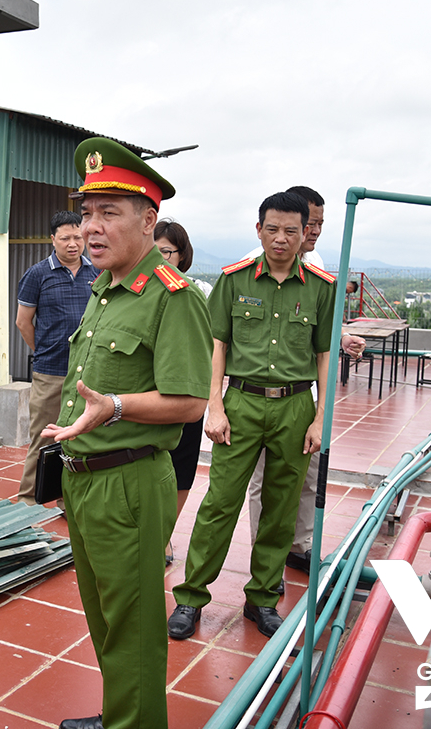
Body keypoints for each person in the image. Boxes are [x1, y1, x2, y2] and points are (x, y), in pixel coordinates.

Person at [45, 138, 213, 729]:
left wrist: (114, 406)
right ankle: (122, 713)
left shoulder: (173, 296)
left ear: (149, 219)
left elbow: (191, 401)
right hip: (84, 481)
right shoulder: (106, 287)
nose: (91, 226)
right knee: (104, 617)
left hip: (129, 484)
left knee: (134, 625)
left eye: (109, 212)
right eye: (87, 212)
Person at [169, 190, 335, 641]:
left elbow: (324, 356)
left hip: (296, 407)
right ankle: (190, 598)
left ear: (306, 233)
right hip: (240, 403)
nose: (281, 238)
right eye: (272, 229)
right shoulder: (234, 280)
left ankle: (262, 600)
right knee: (219, 503)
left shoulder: (322, 288)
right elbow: (217, 347)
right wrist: (215, 406)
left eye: (291, 230)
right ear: (258, 230)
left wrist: (320, 419)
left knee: (280, 509)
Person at [242, 186, 365, 584]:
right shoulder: (250, 269)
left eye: (319, 225)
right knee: (264, 479)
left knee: (307, 473)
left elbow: (317, 325)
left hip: (301, 397)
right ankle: (265, 557)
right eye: (309, 224)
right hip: (258, 397)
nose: (314, 232)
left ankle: (301, 544)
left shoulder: (317, 266)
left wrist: (341, 338)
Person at [15, 211, 100, 504]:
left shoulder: (98, 273)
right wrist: (42, 350)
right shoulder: (37, 274)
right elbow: (23, 322)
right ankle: (28, 499)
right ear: (53, 240)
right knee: (43, 435)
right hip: (50, 370)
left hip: (87, 372)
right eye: (65, 238)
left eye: (78, 237)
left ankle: (68, 500)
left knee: (80, 436)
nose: (73, 244)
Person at [153, 219, 209, 564]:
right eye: (153, 252)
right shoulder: (140, 289)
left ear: (181, 255)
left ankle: (164, 536)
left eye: (166, 252)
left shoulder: (198, 291)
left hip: (187, 393)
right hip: (150, 396)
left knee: (181, 466)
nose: (159, 259)